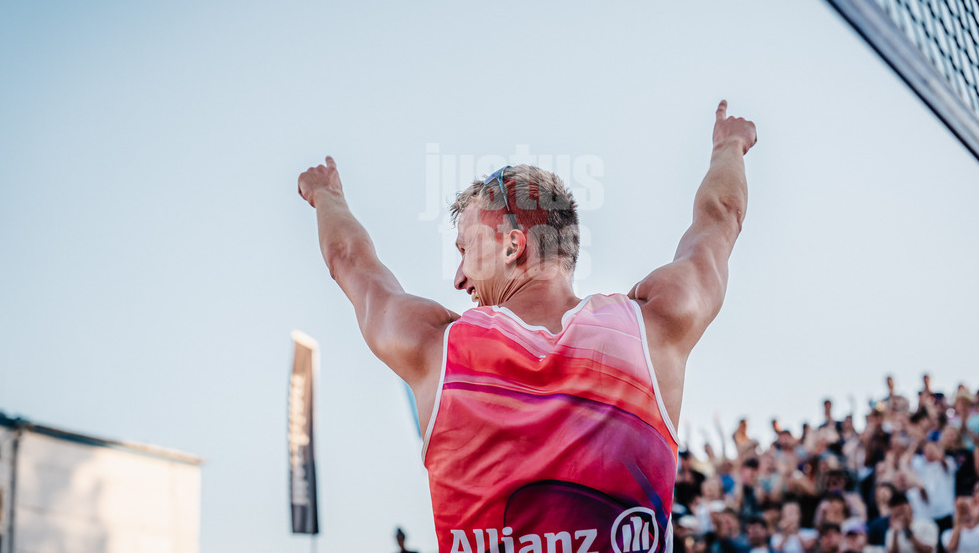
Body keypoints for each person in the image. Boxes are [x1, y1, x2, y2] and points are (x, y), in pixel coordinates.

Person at [297, 101, 757, 553]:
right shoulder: (653, 326)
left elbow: (349, 259)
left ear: (512, 246)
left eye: (465, 250)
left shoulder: (436, 349)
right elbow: (720, 218)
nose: (458, 278)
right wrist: (729, 146)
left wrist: (326, 196)